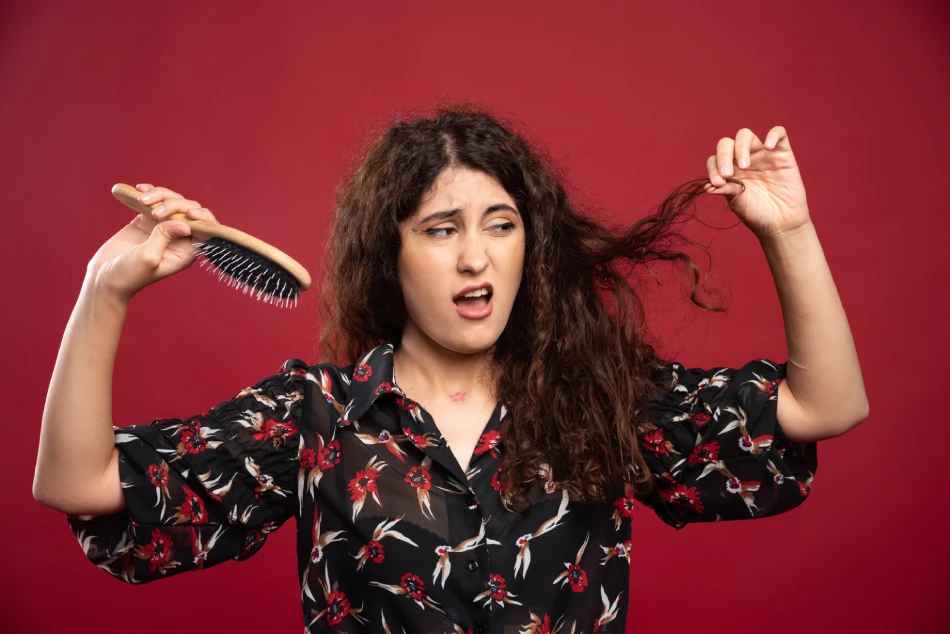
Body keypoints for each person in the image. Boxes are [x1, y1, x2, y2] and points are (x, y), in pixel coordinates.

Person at [34, 102, 867, 633]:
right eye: (440, 230)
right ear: (387, 256)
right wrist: (104, 291)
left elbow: (824, 406)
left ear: (529, 245)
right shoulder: (318, 415)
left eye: (500, 225)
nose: (476, 257)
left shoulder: (599, 396)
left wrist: (787, 231)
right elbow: (81, 484)